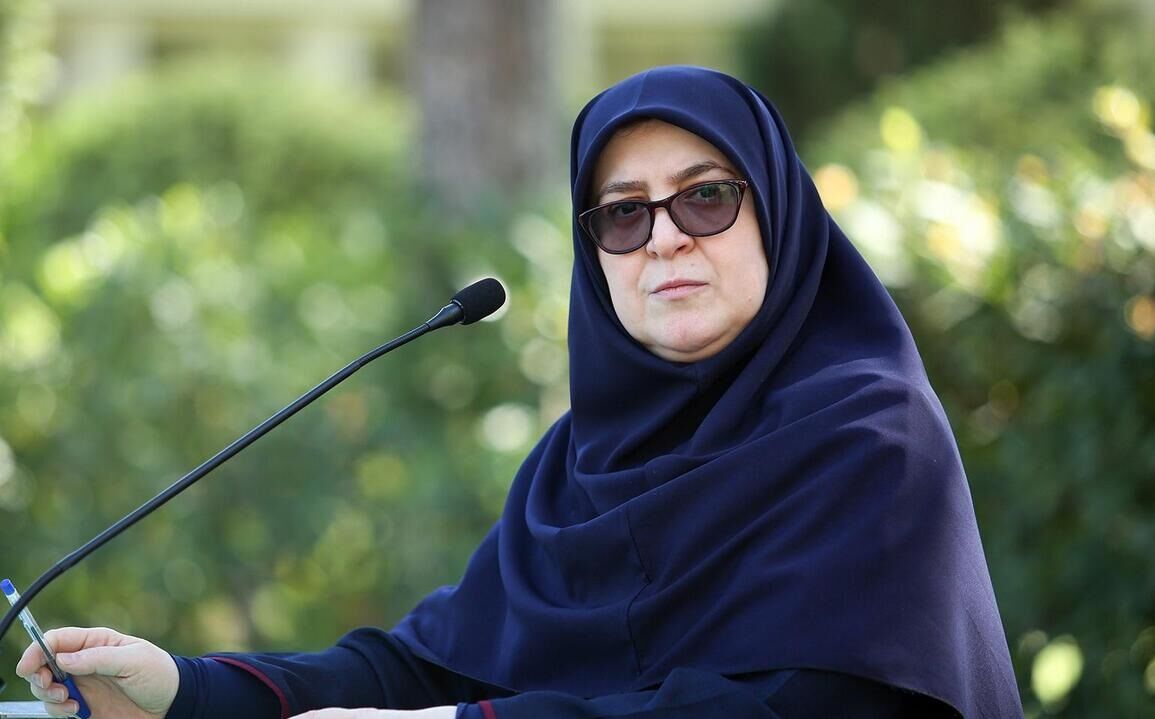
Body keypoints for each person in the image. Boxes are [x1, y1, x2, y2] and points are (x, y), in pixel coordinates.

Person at [14, 66, 1023, 718]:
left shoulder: (868, 434)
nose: (665, 238)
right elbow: (435, 665)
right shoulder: (580, 465)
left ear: (781, 216)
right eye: (622, 214)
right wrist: (187, 690)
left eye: (706, 197)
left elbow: (803, 705)